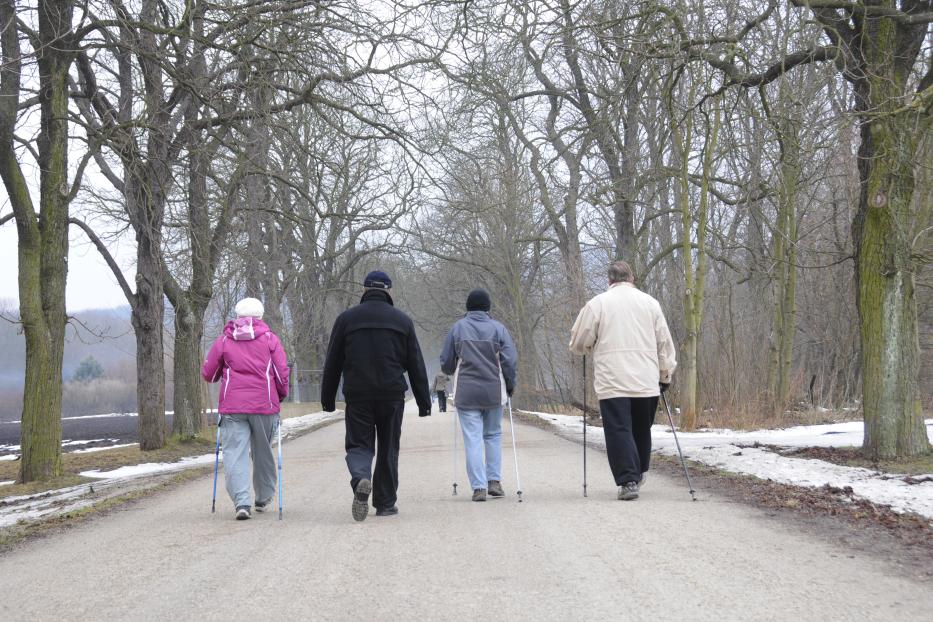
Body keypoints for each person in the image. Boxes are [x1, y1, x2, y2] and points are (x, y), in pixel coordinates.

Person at [321, 270, 431, 522]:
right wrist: (424, 402)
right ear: (389, 291)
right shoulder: (402, 321)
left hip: (358, 394)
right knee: (388, 447)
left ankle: (361, 477)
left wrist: (327, 400)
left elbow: (333, 362)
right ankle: (385, 503)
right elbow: (416, 363)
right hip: (392, 395)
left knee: (359, 444)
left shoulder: (346, 319)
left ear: (365, 289)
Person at [569, 260, 676, 501]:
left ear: (609, 281)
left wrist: (587, 346)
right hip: (646, 380)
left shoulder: (597, 304)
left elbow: (579, 342)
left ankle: (629, 479)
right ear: (632, 278)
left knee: (619, 430)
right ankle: (639, 471)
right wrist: (665, 373)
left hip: (612, 381)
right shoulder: (650, 304)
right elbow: (664, 343)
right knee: (641, 428)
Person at [202, 297, 289, 520]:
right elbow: (281, 373)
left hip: (233, 407)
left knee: (235, 454)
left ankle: (242, 502)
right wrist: (280, 395)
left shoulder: (224, 341)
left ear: (237, 317)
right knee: (263, 451)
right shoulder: (270, 339)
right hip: (264, 404)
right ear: (260, 317)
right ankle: (264, 497)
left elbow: (209, 374)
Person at [440, 289, 518, 502]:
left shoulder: (458, 328)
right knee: (492, 435)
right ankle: (494, 481)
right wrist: (510, 385)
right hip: (493, 391)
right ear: (487, 307)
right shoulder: (498, 329)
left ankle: (479, 487)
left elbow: (446, 362)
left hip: (466, 392)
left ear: (468, 307)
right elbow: (510, 361)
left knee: (473, 439)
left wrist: (452, 368)